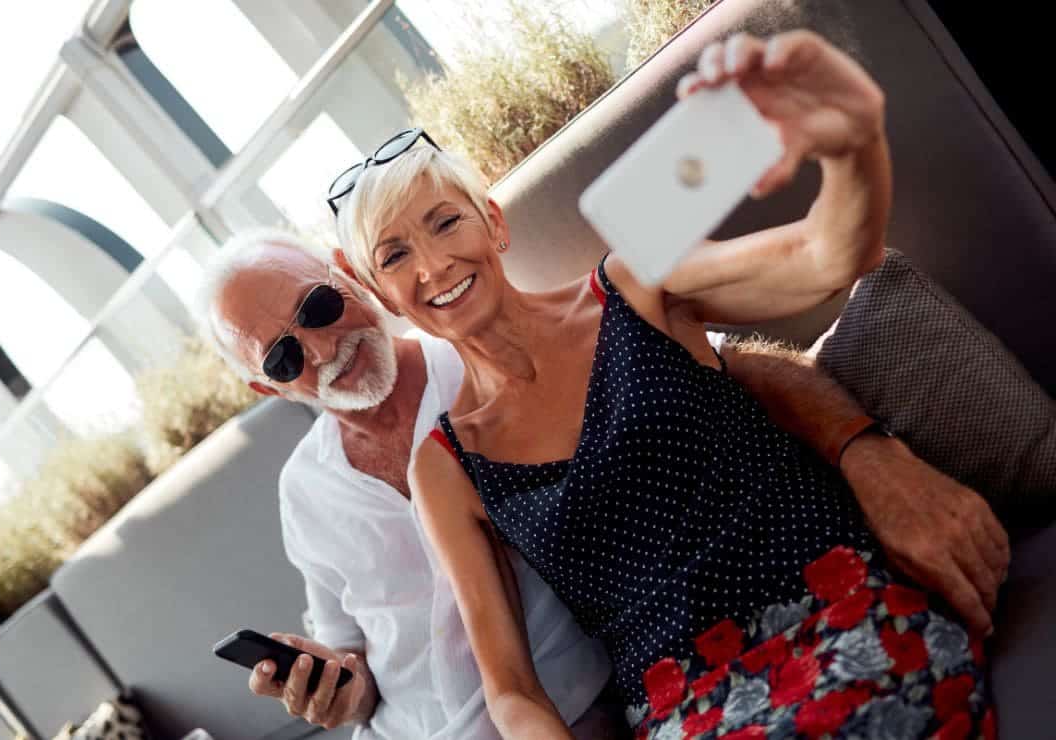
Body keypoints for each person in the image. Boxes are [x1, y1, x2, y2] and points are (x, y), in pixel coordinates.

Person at [334, 30, 1004, 739]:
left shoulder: (633, 280)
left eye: (446, 222)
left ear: (493, 224)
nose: (434, 266)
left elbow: (829, 256)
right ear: (384, 294)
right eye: (396, 255)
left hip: (839, 618)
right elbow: (511, 693)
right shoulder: (443, 467)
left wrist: (852, 143)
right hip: (685, 709)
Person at [196, 226, 1006, 737]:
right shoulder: (304, 494)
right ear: (267, 389)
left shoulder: (482, 352)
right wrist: (332, 687)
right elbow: (347, 657)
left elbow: (724, 374)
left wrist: (871, 454)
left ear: (351, 275)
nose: (322, 346)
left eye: (318, 305)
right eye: (282, 355)